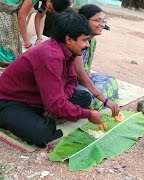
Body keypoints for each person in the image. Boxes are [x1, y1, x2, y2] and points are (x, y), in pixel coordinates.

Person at [0, 13, 103, 148]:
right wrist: (88, 114)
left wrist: (61, 100)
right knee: (42, 134)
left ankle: (47, 111)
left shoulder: (67, 49)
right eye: (84, 40)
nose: (87, 45)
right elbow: (56, 102)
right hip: (11, 101)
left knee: (83, 97)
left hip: (40, 97)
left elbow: (72, 80)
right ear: (68, 39)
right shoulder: (51, 56)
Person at [75, 4, 120, 113]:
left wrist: (90, 78)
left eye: (104, 21)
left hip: (83, 78)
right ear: (85, 20)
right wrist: (105, 100)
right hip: (72, 82)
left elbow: (87, 69)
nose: (102, 25)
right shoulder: (76, 39)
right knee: (87, 95)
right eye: (98, 20)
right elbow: (80, 75)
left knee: (111, 81)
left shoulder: (93, 41)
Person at [0, 0, 70, 64]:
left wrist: (39, 38)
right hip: (4, 7)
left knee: (14, 51)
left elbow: (40, 15)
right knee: (7, 54)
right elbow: (21, 17)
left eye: (51, 10)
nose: (48, 10)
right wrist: (28, 44)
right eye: (50, 7)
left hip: (9, 11)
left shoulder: (47, 2)